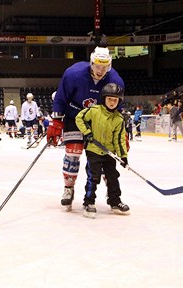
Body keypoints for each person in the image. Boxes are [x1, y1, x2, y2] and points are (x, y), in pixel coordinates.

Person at [51, 47, 124, 211]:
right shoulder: (73, 74)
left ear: (109, 65)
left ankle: (112, 194)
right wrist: (56, 122)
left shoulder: (115, 81)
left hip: (100, 121)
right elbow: (61, 97)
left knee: (105, 156)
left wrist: (120, 132)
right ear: (91, 63)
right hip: (75, 116)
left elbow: (117, 107)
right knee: (73, 151)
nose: (100, 70)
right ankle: (68, 189)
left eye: (104, 67)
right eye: (97, 66)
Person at [75, 83, 130, 218]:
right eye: (110, 99)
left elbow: (119, 139)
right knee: (93, 177)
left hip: (109, 152)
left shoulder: (118, 118)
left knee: (112, 177)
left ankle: (115, 201)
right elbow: (79, 118)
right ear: (104, 98)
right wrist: (87, 132)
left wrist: (123, 156)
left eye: (115, 100)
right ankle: (89, 202)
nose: (112, 102)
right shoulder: (94, 111)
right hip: (93, 149)